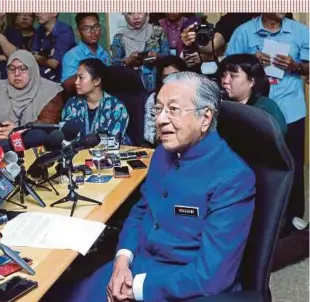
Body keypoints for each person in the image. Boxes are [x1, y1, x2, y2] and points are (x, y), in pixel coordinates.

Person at [67, 72, 255, 302]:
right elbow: (141, 211)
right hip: (138, 264)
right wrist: (122, 261)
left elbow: (212, 275)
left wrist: (135, 288)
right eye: (158, 109)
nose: (160, 120)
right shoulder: (160, 155)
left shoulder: (234, 177)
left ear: (205, 118)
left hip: (184, 285)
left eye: (173, 110)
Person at [225, 13, 309, 232]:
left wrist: (297, 66)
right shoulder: (243, 32)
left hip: (291, 109)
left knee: (293, 164)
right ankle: (257, 217)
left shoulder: (300, 32)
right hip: (254, 111)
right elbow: (228, 67)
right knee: (255, 165)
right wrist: (250, 62)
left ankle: (293, 216)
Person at [0, 50, 64, 140]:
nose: (16, 74)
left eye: (23, 69)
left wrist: (16, 132)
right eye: (11, 69)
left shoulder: (51, 91)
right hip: (1, 145)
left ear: (32, 69)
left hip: (36, 148)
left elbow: (46, 126)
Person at [61, 58, 130, 143]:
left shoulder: (116, 107)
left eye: (81, 78)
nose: (76, 82)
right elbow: (66, 139)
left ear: (96, 81)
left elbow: (112, 142)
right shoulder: (72, 104)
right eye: (76, 78)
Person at [218, 54, 287, 136]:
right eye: (223, 75)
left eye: (233, 76)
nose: (225, 81)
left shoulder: (265, 108)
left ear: (252, 81)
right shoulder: (221, 106)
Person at [111, 13, 169, 92]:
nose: (136, 17)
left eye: (140, 12)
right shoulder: (119, 37)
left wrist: (157, 57)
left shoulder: (158, 32)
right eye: (130, 13)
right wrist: (127, 61)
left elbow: (168, 58)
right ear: (125, 15)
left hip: (157, 88)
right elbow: (113, 65)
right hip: (130, 89)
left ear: (146, 12)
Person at [144, 55, 188, 145]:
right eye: (165, 77)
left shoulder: (192, 97)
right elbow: (148, 136)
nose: (170, 81)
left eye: (175, 76)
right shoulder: (153, 99)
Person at [61, 13, 111, 86]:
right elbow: (67, 86)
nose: (93, 32)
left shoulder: (103, 52)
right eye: (86, 28)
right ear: (78, 32)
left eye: (96, 27)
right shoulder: (72, 55)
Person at [32, 13, 76, 82]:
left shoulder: (64, 31)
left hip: (62, 79)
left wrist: (38, 57)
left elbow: (54, 63)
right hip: (43, 76)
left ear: (54, 13)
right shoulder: (39, 30)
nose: (37, 13)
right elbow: (33, 54)